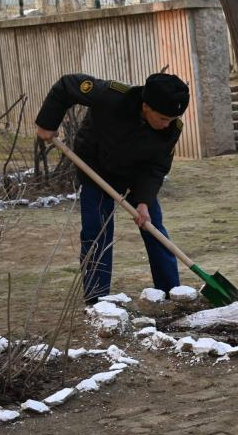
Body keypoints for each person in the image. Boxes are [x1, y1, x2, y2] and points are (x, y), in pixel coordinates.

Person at [34, 73, 190, 304]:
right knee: (96, 231)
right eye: (163, 118)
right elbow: (67, 86)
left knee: (153, 227)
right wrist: (47, 122)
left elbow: (156, 167)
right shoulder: (111, 96)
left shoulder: (171, 127)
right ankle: (97, 299)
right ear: (146, 106)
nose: (167, 124)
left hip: (135, 176)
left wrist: (144, 201)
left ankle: (171, 292)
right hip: (96, 169)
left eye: (172, 118)